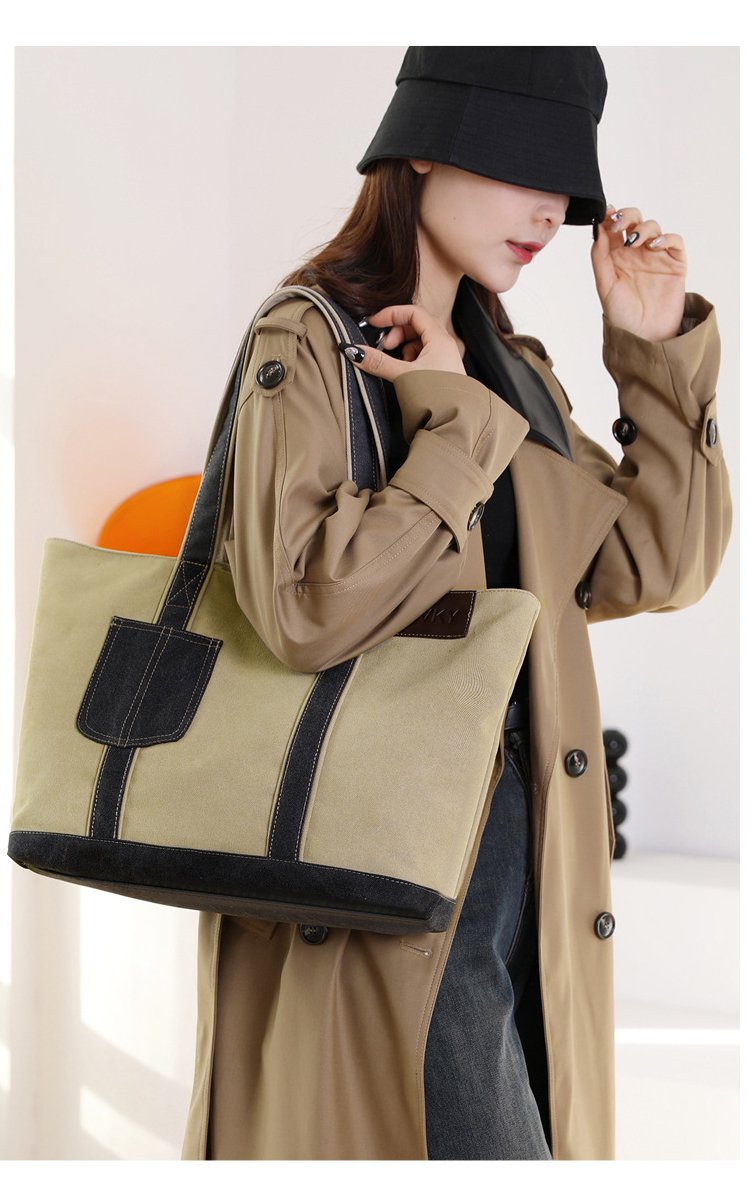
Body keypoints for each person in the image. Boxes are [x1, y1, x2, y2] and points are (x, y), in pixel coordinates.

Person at [180, 47, 731, 1161]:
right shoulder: (311, 339)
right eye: (526, 164)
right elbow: (305, 612)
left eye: (568, 185)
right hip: (382, 880)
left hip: (527, 868)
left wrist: (653, 348)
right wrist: (456, 426)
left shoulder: (506, 368)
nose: (551, 211)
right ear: (424, 148)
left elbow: (653, 562)